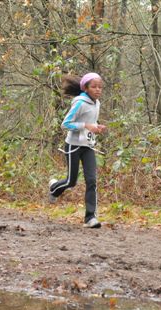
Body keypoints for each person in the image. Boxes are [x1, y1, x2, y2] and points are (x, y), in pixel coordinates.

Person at [49, 72, 106, 229]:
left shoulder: (97, 104)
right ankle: (54, 188)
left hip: (88, 146)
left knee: (92, 180)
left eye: (100, 87)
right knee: (71, 181)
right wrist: (85, 126)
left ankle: (90, 218)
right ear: (86, 88)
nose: (98, 90)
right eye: (94, 87)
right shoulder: (79, 103)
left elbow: (91, 123)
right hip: (73, 146)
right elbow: (65, 124)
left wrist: (96, 128)